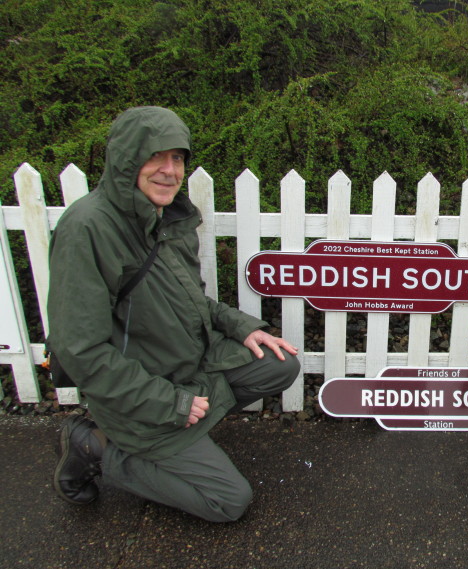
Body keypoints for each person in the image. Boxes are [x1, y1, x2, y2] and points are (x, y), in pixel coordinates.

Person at [48, 106, 301, 522]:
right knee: (228, 502)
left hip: (185, 365)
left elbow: (190, 300)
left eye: (178, 158)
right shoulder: (89, 228)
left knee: (278, 365)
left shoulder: (169, 218)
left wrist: (243, 328)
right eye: (155, 156)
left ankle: (188, 432)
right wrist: (171, 404)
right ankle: (95, 448)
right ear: (127, 158)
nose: (169, 170)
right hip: (142, 395)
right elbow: (82, 351)